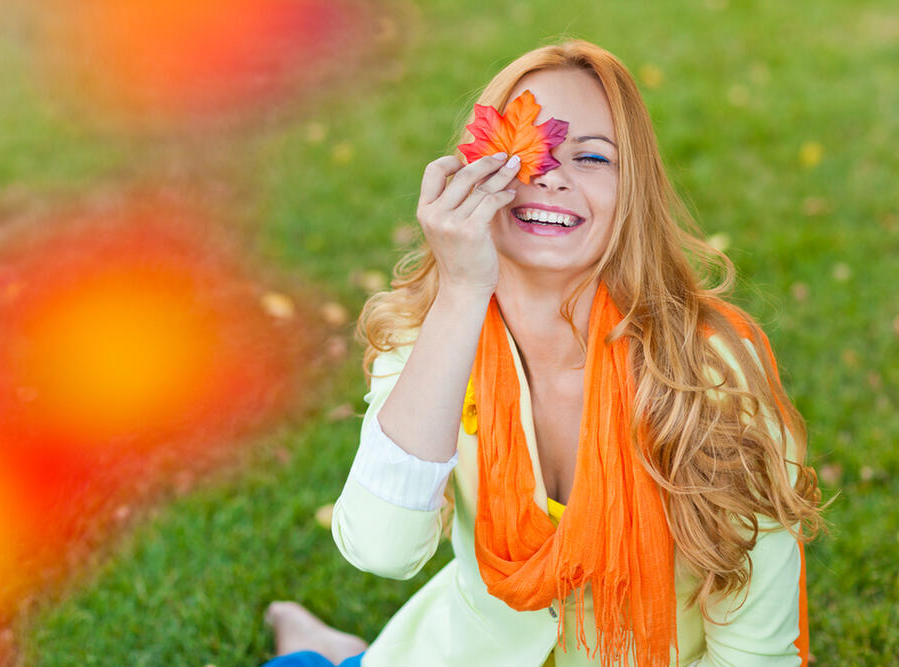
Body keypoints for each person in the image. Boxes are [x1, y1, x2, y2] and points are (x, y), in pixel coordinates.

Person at [263, 39, 823, 667]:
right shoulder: (431, 338)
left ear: (632, 191)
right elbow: (382, 550)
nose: (552, 174)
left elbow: (755, 649)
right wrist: (461, 294)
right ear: (477, 171)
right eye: (525, 151)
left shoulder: (713, 372)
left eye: (592, 157)